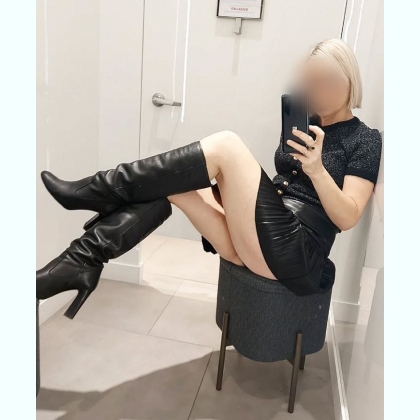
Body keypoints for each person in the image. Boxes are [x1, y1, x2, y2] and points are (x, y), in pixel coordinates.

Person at [36, 38, 382, 319]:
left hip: (298, 252)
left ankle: (100, 189)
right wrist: (230, 195)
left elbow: (348, 217)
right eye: (310, 82)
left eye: (325, 81)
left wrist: (317, 169)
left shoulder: (364, 139)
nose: (316, 90)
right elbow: (283, 184)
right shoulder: (303, 124)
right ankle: (81, 260)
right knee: (174, 186)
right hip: (262, 238)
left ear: (350, 81)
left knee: (227, 145)